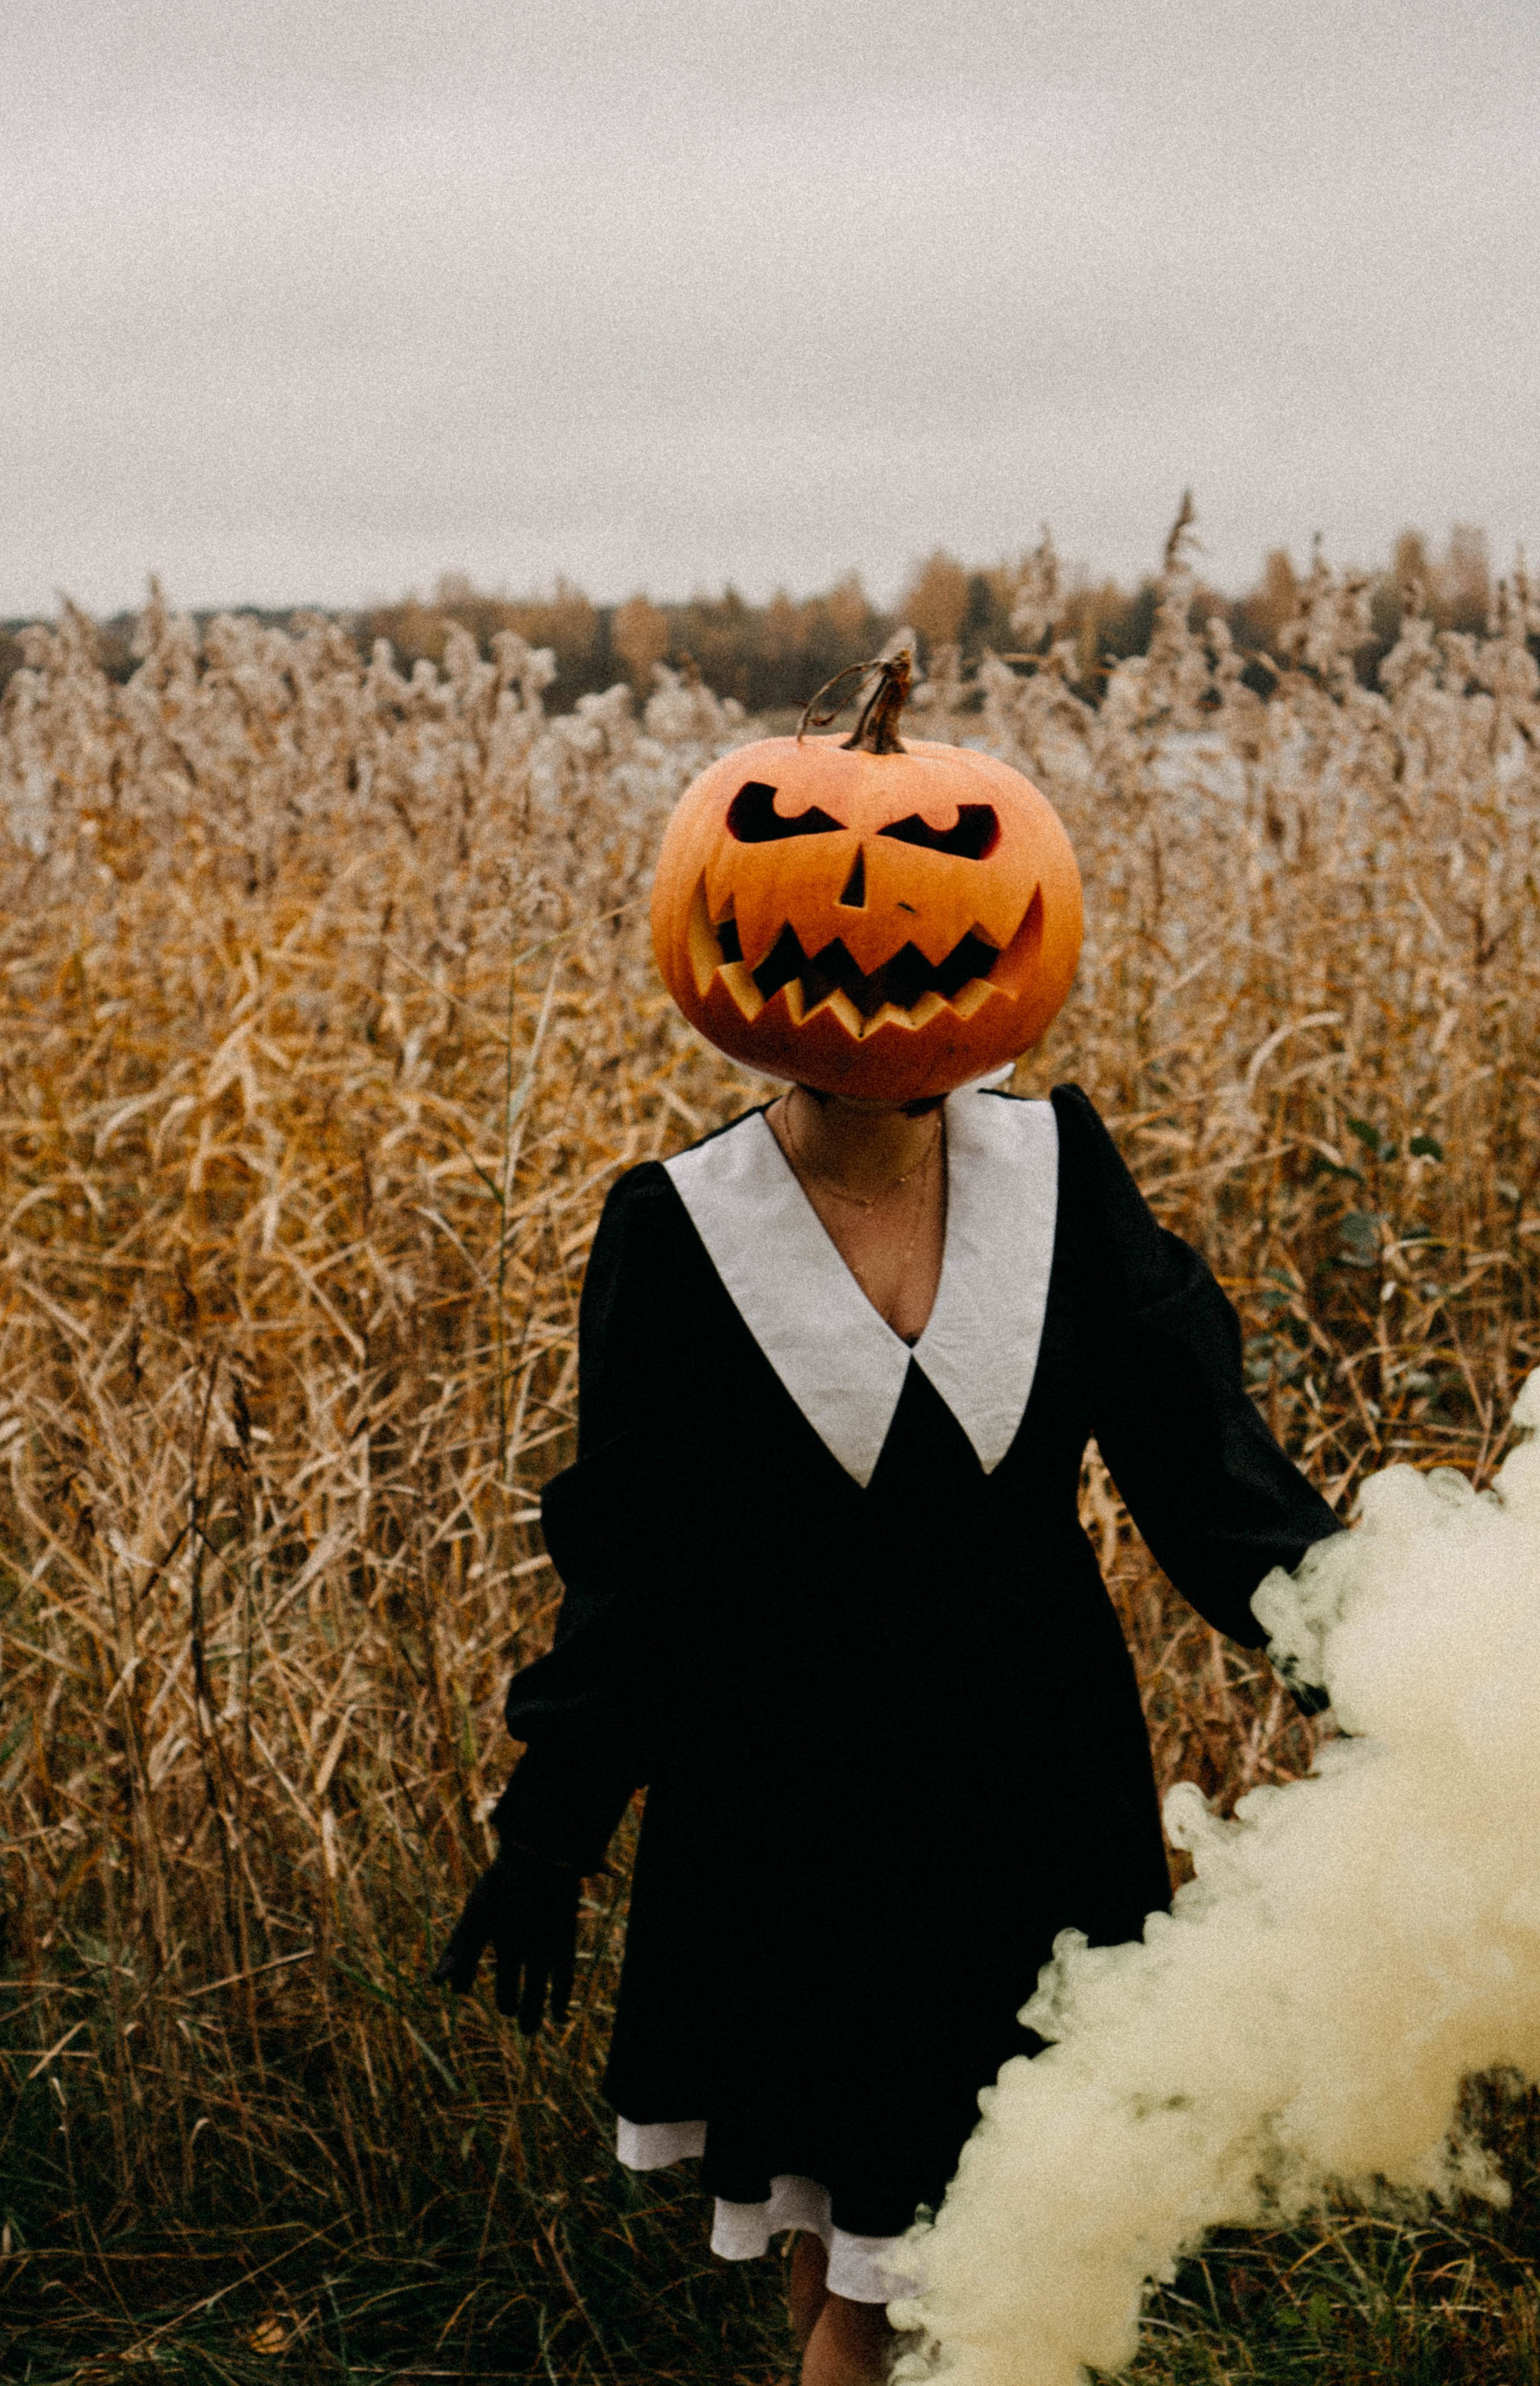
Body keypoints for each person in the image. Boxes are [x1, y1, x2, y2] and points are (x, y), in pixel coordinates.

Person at [433, 672, 1342, 2386]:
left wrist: (1383, 1659)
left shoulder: (1064, 1179)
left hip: (1036, 1805)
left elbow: (1209, 1476)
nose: (871, 918)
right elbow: (637, 1577)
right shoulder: (677, 1232)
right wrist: (551, 1832)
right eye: (799, 852)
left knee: (959, 2268)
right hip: (794, 1825)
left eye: (941, 865)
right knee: (871, 2272)